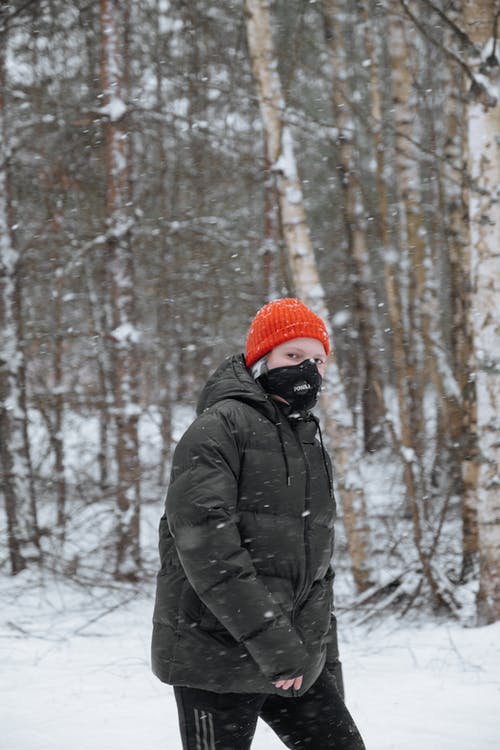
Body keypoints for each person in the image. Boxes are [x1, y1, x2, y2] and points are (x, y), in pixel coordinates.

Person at [152, 298, 366, 750]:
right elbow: (208, 550)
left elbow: (316, 565)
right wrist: (278, 650)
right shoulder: (219, 429)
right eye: (293, 356)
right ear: (261, 359)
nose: (307, 369)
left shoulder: (308, 438)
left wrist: (325, 660)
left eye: (317, 360)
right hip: (216, 656)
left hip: (292, 655)